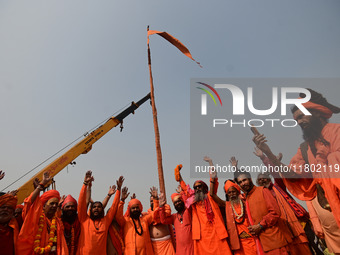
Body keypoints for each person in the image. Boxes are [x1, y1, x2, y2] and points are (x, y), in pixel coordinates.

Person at [252, 88, 340, 228]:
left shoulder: (337, 132)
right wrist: (268, 153)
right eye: (296, 119)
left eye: (302, 116)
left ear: (316, 112)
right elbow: (293, 176)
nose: (299, 122)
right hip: (332, 212)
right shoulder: (305, 148)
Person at [175, 165, 232, 255]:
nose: (197, 189)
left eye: (199, 186)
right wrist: (179, 176)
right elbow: (185, 188)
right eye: (195, 187)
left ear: (205, 188)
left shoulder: (211, 196)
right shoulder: (193, 201)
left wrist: (212, 173)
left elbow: (214, 184)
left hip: (216, 233)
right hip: (201, 236)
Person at [207, 156, 257, 255]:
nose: (232, 194)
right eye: (229, 193)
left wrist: (236, 169)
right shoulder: (227, 205)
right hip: (238, 244)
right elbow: (212, 194)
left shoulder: (245, 200)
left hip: (252, 240)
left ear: (238, 191)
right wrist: (213, 177)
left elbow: (242, 183)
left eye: (233, 191)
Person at [235, 171, 292, 255]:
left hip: (273, 242)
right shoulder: (246, 199)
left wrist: (260, 226)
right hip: (260, 244)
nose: (243, 183)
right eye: (240, 182)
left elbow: (275, 213)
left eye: (244, 180)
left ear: (250, 179)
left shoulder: (263, 191)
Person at [17, 172, 68, 255]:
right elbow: (29, 204)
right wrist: (41, 186)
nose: (55, 206)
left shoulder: (58, 222)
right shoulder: (36, 218)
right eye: (51, 203)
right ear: (43, 206)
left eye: (56, 204)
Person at [76, 171, 122, 255]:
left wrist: (118, 190)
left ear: (102, 210)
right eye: (94, 207)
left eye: (99, 207)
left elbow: (114, 207)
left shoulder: (105, 221)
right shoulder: (84, 220)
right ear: (90, 209)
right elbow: (81, 203)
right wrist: (85, 184)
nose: (96, 208)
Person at [115, 186, 156, 255]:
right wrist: (122, 201)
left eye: (137, 207)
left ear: (140, 209)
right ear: (129, 210)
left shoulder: (145, 219)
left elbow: (155, 214)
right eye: (133, 208)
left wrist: (155, 199)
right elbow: (118, 216)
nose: (135, 210)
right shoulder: (126, 221)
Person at [158, 181, 194, 255]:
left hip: (192, 248)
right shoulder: (174, 217)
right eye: (175, 203)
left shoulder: (188, 211)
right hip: (180, 250)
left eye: (179, 201)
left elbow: (188, 204)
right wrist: (161, 207)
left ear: (182, 201)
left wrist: (182, 193)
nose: (177, 203)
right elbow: (163, 220)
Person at [148, 187, 176, 255]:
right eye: (151, 201)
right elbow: (154, 217)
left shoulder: (166, 208)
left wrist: (159, 205)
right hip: (155, 246)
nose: (153, 202)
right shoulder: (148, 214)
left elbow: (159, 217)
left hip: (167, 244)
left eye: (155, 199)